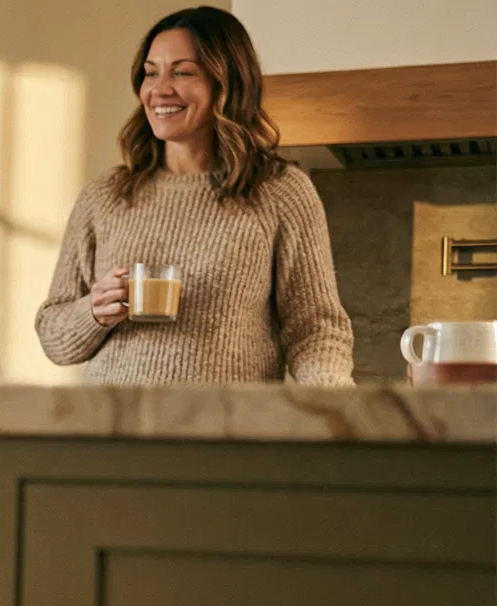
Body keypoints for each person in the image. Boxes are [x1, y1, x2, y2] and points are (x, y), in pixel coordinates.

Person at [35, 5, 354, 385]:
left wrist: (331, 408)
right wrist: (94, 312)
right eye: (150, 73)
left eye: (182, 72)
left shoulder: (280, 192)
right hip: (112, 434)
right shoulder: (106, 195)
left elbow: (316, 330)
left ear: (227, 83)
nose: (159, 89)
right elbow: (53, 336)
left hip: (227, 435)